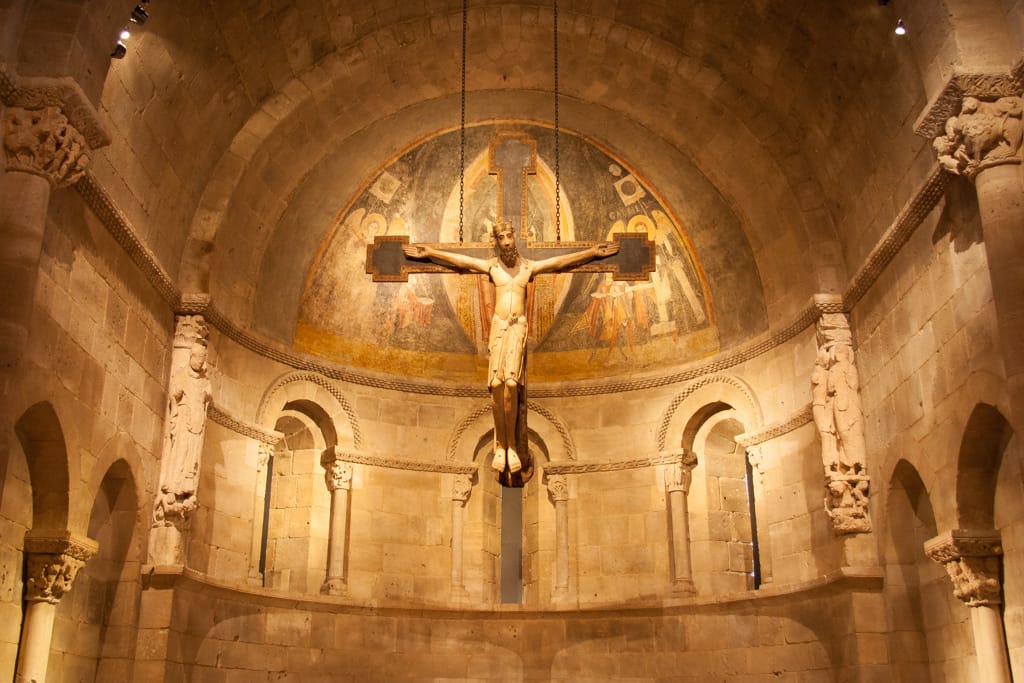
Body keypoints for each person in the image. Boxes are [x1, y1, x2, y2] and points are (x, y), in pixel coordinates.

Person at [404, 222, 619, 473]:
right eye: (501, 238)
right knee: (496, 386)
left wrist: (592, 253)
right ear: (496, 241)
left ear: (514, 237)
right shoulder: (492, 267)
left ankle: (512, 448)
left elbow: (560, 262)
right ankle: (501, 446)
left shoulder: (529, 268)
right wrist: (431, 253)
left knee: (512, 385)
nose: (506, 242)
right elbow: (461, 262)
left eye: (508, 236)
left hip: (518, 328)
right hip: (499, 328)